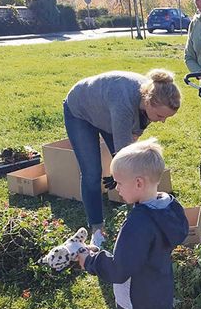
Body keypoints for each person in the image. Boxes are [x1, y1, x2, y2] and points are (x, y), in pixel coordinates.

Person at [77, 139, 201, 309]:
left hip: (145, 296)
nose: (116, 188)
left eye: (118, 182)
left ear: (138, 183)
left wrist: (89, 260)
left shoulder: (139, 223)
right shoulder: (168, 206)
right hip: (158, 286)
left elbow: (119, 270)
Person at [63, 69, 181, 248]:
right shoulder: (124, 104)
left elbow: (132, 146)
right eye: (160, 116)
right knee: (92, 173)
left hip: (106, 112)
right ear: (148, 103)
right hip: (80, 111)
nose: (162, 121)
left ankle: (136, 224)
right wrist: (119, 173)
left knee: (133, 174)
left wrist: (122, 174)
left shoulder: (152, 99)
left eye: (166, 117)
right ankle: (97, 230)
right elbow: (124, 155)